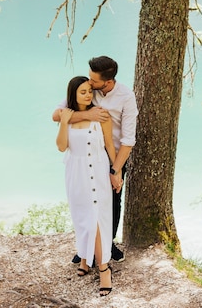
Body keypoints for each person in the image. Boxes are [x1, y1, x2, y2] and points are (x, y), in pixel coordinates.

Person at [53, 56, 138, 263]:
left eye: (94, 81)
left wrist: (116, 170)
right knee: (85, 200)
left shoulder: (126, 97)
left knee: (112, 201)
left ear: (107, 82)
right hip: (86, 152)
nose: (89, 83)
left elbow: (127, 141)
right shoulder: (87, 89)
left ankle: (106, 246)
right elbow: (58, 115)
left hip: (113, 155)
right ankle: (86, 247)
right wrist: (87, 115)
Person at [56, 76, 118, 297]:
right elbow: (62, 147)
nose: (87, 95)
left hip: (99, 171)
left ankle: (104, 269)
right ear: (72, 94)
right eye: (82, 92)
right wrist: (64, 122)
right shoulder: (67, 116)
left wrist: (116, 172)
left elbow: (110, 145)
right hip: (76, 172)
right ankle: (84, 257)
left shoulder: (101, 115)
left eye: (89, 91)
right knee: (82, 216)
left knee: (97, 218)